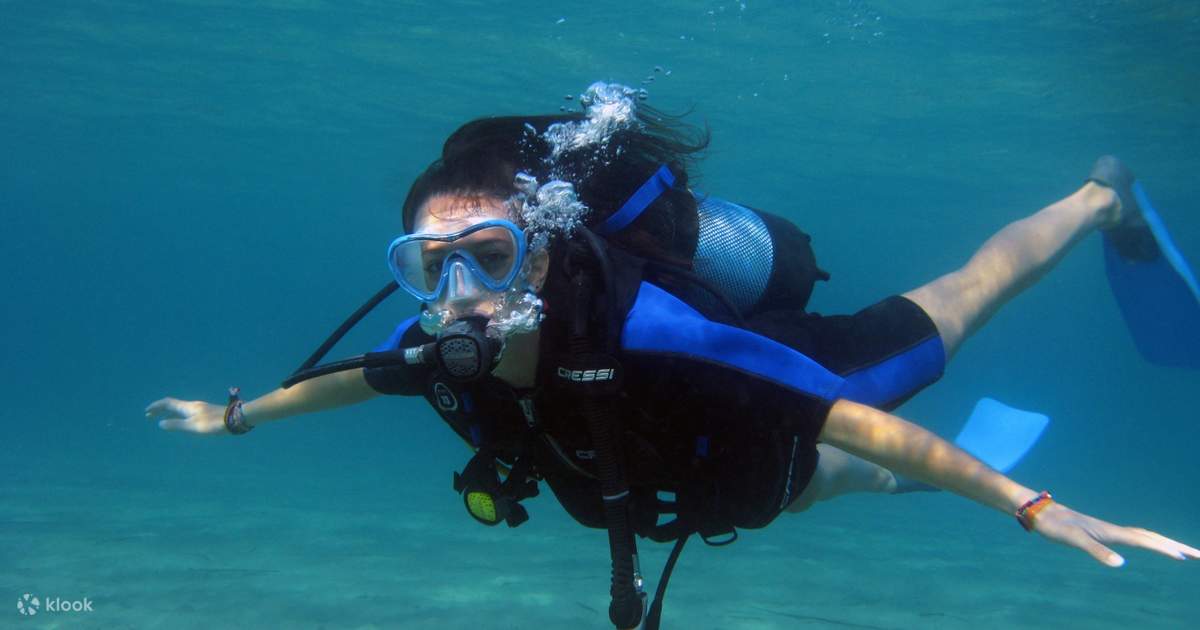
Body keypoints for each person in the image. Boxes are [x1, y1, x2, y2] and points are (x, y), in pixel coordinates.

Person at [146, 84, 1196, 629]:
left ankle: (1098, 199)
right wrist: (228, 417)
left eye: (491, 256)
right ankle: (906, 480)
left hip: (779, 387)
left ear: (546, 253)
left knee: (952, 315)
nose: (460, 295)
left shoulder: (658, 332)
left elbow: (849, 412)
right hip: (721, 482)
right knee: (836, 482)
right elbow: (342, 383)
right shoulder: (436, 338)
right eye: (431, 266)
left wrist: (1029, 507)